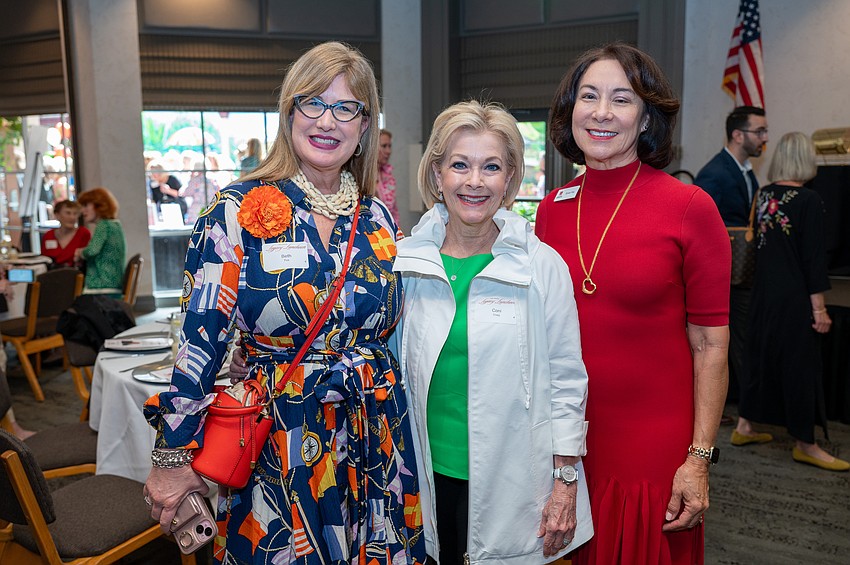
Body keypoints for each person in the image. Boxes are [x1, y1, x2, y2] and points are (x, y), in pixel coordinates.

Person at [142, 41, 426, 564]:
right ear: (288, 112)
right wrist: (172, 455)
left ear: (365, 126)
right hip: (279, 434)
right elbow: (199, 343)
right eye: (312, 103)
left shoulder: (379, 221)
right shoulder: (235, 211)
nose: (327, 121)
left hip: (373, 435)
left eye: (346, 108)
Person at [536, 42, 731, 564]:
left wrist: (699, 459)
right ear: (570, 110)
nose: (601, 113)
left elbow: (711, 346)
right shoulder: (549, 211)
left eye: (621, 99)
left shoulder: (690, 207)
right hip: (568, 445)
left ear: (646, 119)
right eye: (589, 96)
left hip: (653, 444)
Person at [389, 100, 591, 564]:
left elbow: (566, 379)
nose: (474, 181)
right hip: (418, 472)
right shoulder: (403, 262)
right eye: (460, 165)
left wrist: (565, 481)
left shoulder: (542, 266)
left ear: (510, 178)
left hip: (514, 480)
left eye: (491, 167)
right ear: (437, 174)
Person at [743, 132, 848, 472]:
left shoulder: (763, 196)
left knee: (759, 358)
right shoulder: (808, 200)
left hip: (762, 295)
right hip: (794, 299)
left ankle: (744, 426)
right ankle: (807, 444)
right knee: (801, 368)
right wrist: (819, 309)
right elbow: (812, 260)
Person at [695, 106, 771, 441]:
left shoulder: (745, 171)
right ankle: (743, 418)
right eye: (759, 131)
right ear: (738, 135)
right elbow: (697, 228)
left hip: (741, 275)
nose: (764, 138)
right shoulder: (715, 173)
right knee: (732, 343)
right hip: (722, 279)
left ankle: (745, 414)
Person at [74, 187, 126, 297]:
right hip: (113, 282)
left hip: (102, 285)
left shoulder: (104, 225)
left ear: (99, 205)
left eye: (86, 205)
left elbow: (92, 250)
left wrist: (79, 253)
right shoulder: (115, 224)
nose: (82, 211)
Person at [41, 199, 91, 268]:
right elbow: (44, 261)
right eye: (68, 213)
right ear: (57, 215)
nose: (72, 217)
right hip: (52, 275)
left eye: (75, 214)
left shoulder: (83, 233)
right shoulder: (48, 236)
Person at [375, 129, 401, 225]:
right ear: (372, 147)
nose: (388, 151)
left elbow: (394, 211)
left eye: (390, 146)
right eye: (384, 146)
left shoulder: (388, 175)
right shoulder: (362, 177)